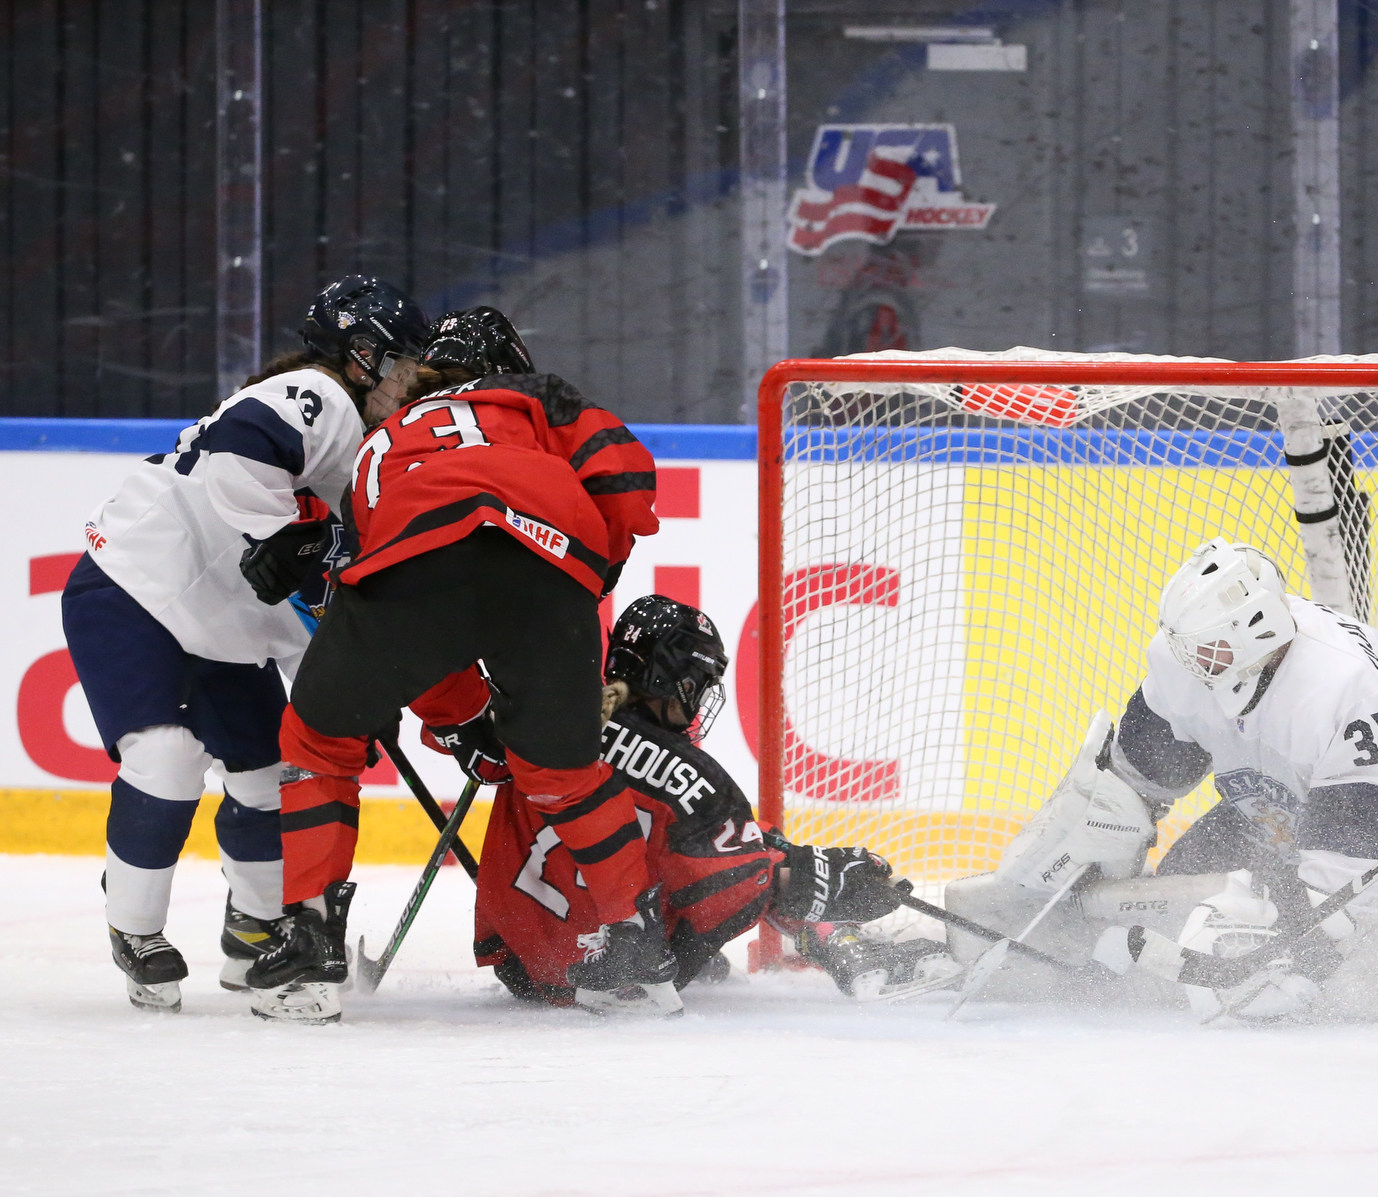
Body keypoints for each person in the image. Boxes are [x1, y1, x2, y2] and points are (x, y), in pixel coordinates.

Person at [246, 307, 667, 1022]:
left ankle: (310, 948)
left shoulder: (381, 442)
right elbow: (625, 474)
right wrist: (594, 572)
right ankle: (637, 958)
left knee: (318, 743)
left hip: (419, 557)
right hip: (550, 570)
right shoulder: (536, 394)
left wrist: (463, 715)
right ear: (509, 361)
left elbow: (389, 590)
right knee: (564, 774)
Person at [61, 276, 428, 1012]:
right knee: (165, 758)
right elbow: (239, 447)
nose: (411, 378)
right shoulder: (319, 397)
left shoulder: (362, 457)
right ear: (361, 356)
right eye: (403, 361)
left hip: (229, 630)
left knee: (273, 776)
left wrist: (354, 682)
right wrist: (282, 534)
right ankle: (135, 929)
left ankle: (257, 933)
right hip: (138, 586)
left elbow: (316, 594)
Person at [1012, 537, 1378, 1020]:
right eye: (1186, 648)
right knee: (1175, 899)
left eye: (1205, 650)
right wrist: (1088, 848)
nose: (1187, 662)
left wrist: (1307, 946)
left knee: (1334, 936)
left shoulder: (1342, 687)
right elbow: (1138, 781)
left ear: (1255, 634)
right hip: (1289, 799)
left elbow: (1360, 862)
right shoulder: (1184, 659)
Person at [473, 595, 955, 1011]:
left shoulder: (546, 723)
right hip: (615, 972)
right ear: (673, 680)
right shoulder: (689, 774)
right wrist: (816, 874)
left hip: (521, 964)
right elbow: (737, 883)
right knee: (760, 858)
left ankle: (823, 926)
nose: (700, 700)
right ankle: (839, 942)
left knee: (736, 844)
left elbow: (474, 752)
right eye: (697, 685)